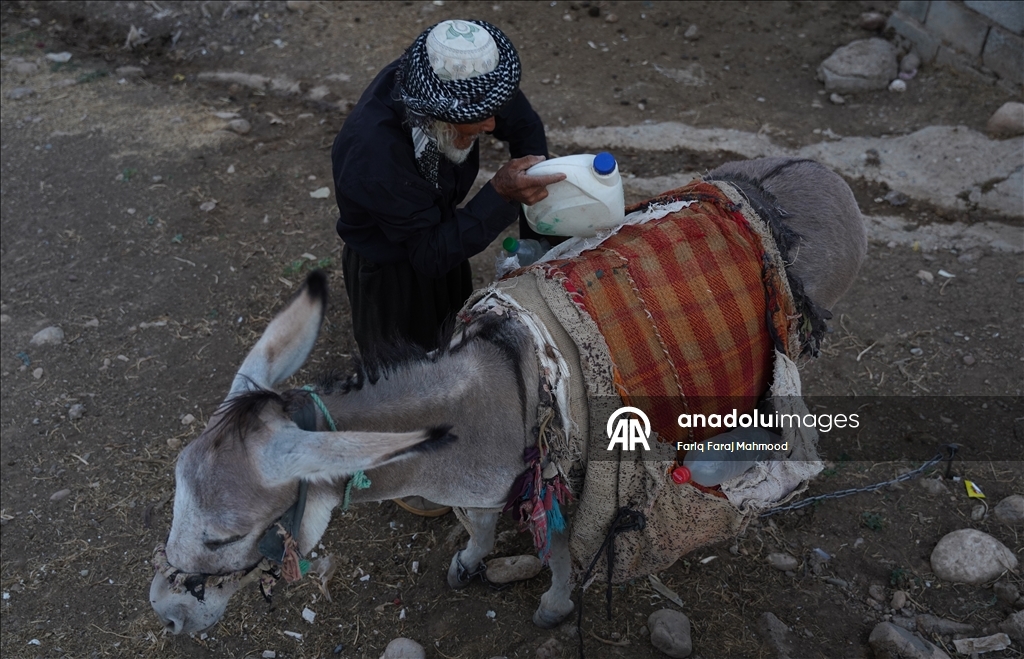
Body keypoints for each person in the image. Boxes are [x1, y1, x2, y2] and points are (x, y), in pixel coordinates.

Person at [332, 18, 564, 357]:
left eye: (494, 109)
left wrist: (536, 231)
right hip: (391, 270)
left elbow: (523, 124)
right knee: (406, 377)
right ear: (436, 115)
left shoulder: (464, 79)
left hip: (442, 236)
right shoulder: (375, 158)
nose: (492, 125)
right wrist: (500, 193)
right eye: (480, 117)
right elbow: (428, 254)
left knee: (455, 339)